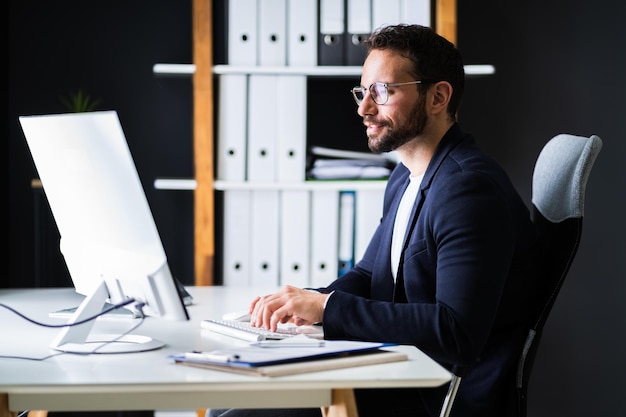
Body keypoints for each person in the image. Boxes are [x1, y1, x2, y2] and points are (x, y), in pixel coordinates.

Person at [209, 24, 540, 417]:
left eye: (383, 91)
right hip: (401, 371)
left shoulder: (468, 189)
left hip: (433, 395)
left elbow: (456, 332)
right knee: (232, 403)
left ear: (438, 96)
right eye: (362, 91)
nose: (364, 108)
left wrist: (329, 308)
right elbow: (371, 274)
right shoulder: (404, 174)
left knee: (234, 415)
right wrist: (307, 304)